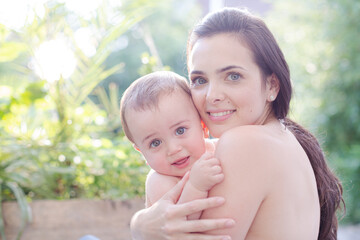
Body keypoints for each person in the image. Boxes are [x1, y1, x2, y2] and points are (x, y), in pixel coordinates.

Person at [130, 7, 344, 240]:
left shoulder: (245, 143)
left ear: (272, 85)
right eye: (200, 80)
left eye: (233, 76)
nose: (212, 95)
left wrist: (141, 228)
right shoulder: (284, 139)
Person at [120, 71, 226, 220]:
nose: (173, 149)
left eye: (180, 130)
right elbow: (176, 224)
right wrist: (196, 186)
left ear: (203, 126)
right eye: (155, 143)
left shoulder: (219, 148)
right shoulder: (160, 182)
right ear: (141, 151)